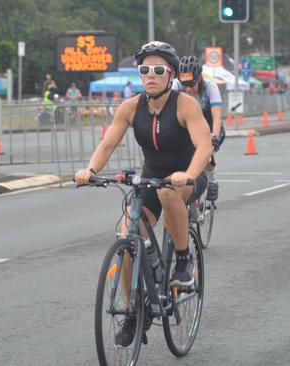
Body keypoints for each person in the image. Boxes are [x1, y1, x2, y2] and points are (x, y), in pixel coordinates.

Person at [74, 41, 212, 346]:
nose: (150, 75)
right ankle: (134, 312)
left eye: (158, 70)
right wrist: (91, 170)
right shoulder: (131, 107)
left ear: (171, 75)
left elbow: (204, 145)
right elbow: (108, 144)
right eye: (144, 69)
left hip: (186, 175)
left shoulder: (185, 105)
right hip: (152, 176)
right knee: (127, 235)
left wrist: (188, 174)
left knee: (168, 195)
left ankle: (183, 261)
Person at [172, 55, 224, 201]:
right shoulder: (176, 87)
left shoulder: (210, 87)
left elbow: (217, 115)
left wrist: (214, 135)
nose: (188, 89)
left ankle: (212, 179)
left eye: (192, 84)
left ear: (199, 78)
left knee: (205, 152)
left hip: (209, 127)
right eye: (185, 84)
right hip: (188, 128)